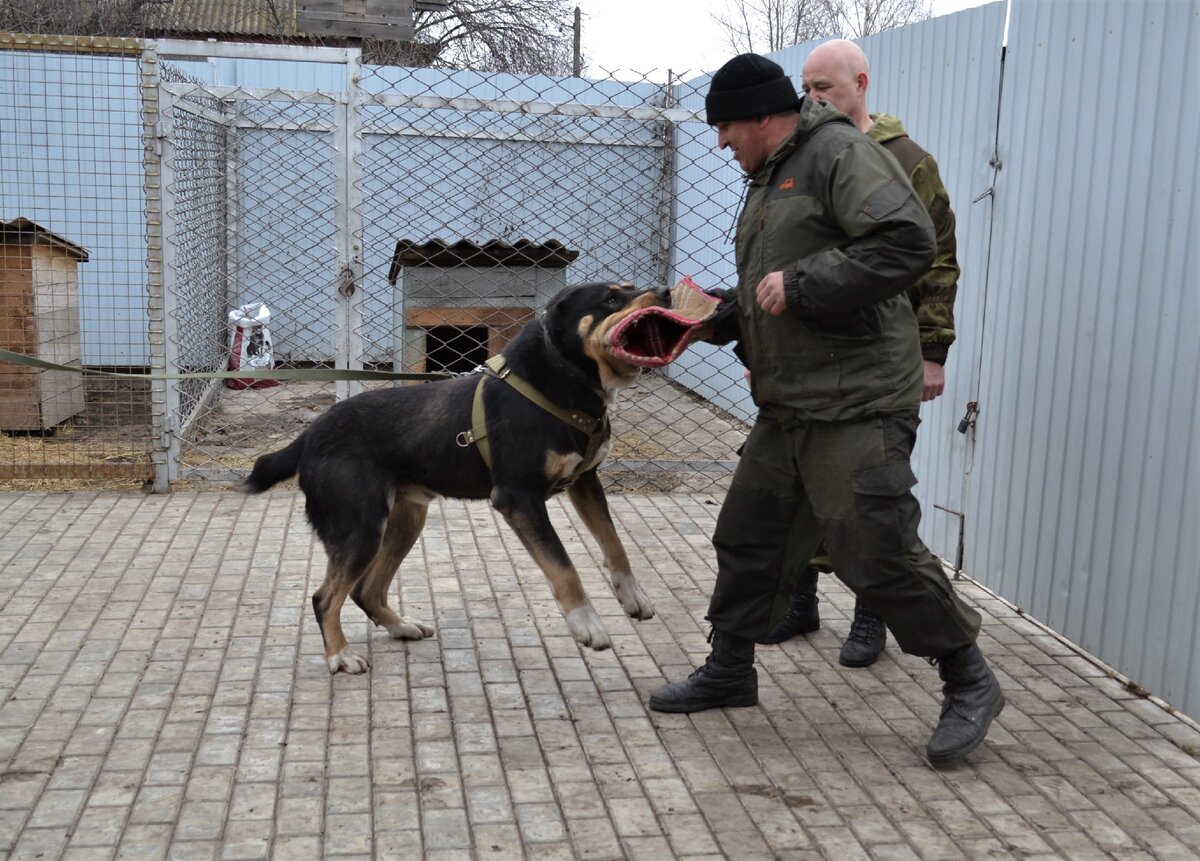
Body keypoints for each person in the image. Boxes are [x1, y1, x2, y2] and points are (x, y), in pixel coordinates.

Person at [647, 52, 1003, 768]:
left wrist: (805, 283)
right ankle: (730, 669)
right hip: (792, 400)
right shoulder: (768, 176)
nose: (720, 142)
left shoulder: (840, 152)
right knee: (748, 532)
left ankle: (970, 677)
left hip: (859, 397)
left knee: (874, 544)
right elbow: (770, 288)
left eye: (726, 128)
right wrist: (709, 317)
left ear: (761, 117)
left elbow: (909, 242)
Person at [762, 39, 963, 669]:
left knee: (873, 495)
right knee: (803, 486)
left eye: (824, 87)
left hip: (881, 361)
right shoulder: (797, 155)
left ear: (861, 82)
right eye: (806, 86)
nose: (811, 97)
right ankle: (802, 601)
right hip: (807, 359)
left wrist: (933, 354)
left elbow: (938, 261)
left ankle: (872, 615)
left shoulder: (905, 160)